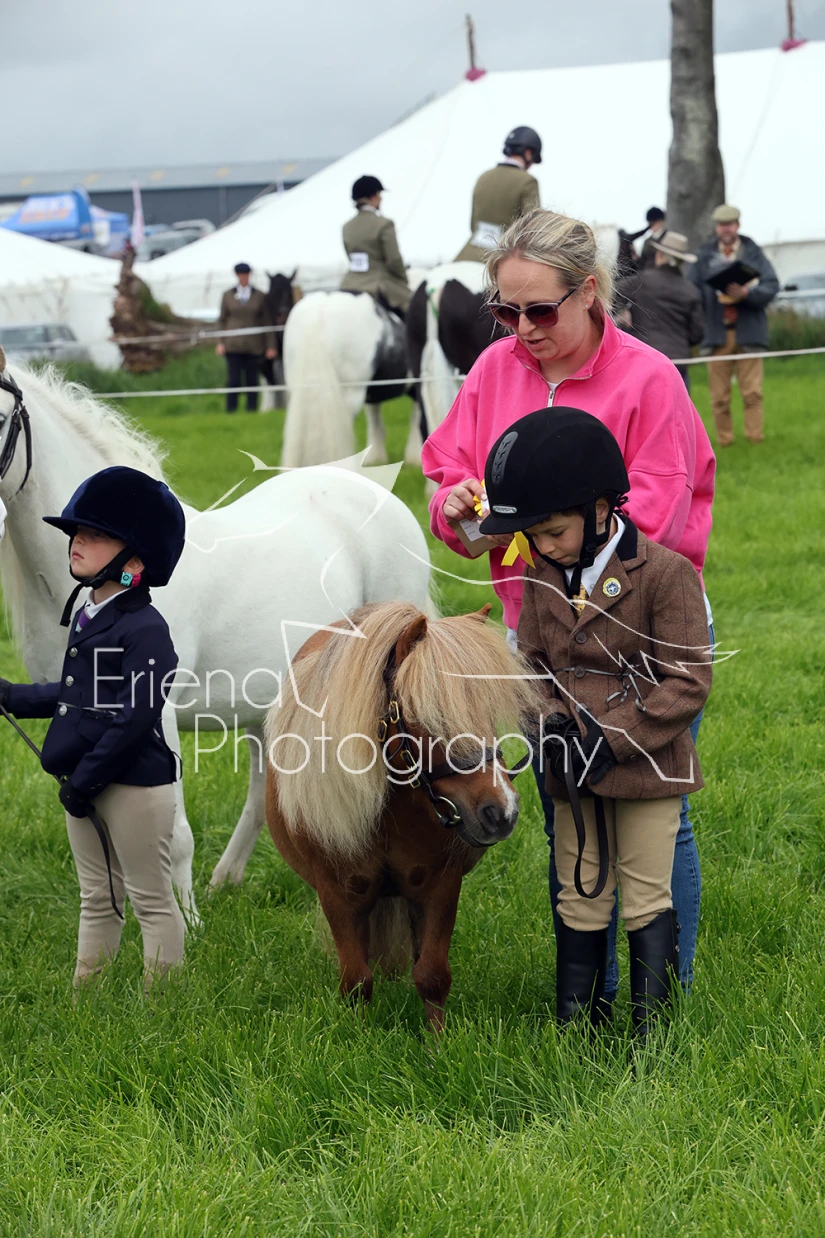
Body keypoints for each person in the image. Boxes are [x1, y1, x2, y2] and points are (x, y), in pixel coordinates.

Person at [421, 208, 715, 1001]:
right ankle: (590, 1000)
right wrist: (456, 508)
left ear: (588, 292)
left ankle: (664, 1002)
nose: (521, 330)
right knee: (568, 802)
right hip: (541, 636)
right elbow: (447, 471)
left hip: (643, 633)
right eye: (504, 311)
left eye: (539, 311)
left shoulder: (648, 378)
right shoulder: (493, 370)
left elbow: (656, 518)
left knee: (653, 807)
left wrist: (516, 526)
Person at [480, 409, 712, 1035]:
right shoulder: (542, 574)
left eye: (553, 531)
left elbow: (688, 680)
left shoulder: (666, 574)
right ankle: (576, 1029)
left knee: (645, 896)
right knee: (578, 893)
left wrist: (613, 737)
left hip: (647, 766)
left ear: (602, 508)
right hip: (572, 769)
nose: (544, 547)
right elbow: (532, 664)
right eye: (535, 536)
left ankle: (653, 1035)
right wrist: (550, 724)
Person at [0, 467, 186, 991]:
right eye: (77, 532)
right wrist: (11, 695)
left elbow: (134, 719)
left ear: (135, 561)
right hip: (84, 779)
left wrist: (85, 781)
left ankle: (165, 1004)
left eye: (96, 534)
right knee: (97, 896)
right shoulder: (90, 615)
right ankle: (89, 996)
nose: (77, 541)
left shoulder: (147, 630)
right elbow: (78, 696)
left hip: (133, 786)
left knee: (150, 899)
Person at [690, 204, 779, 446]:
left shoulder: (753, 253)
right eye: (721, 225)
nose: (726, 229)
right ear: (716, 227)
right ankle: (725, 441)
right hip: (716, 333)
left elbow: (772, 285)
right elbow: (691, 289)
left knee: (753, 392)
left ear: (737, 225)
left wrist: (747, 294)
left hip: (748, 332)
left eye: (729, 224)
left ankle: (755, 439)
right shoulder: (704, 255)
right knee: (719, 396)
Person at [615, 231, 704, 388]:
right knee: (678, 403)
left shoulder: (640, 282)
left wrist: (621, 315)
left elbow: (609, 296)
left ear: (660, 254)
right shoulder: (691, 291)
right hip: (679, 360)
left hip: (644, 356)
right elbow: (697, 334)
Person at [454, 126, 542, 262]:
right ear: (528, 153)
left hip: (467, 254)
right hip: (500, 257)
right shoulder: (528, 181)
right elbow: (532, 230)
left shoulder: (483, 177)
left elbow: (473, 224)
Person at [340, 175, 411, 316]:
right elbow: (394, 259)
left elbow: (351, 256)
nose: (381, 199)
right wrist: (403, 280)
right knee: (416, 310)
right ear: (372, 197)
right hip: (377, 285)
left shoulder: (346, 227)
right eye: (379, 195)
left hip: (348, 284)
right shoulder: (384, 224)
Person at [216, 263, 276, 413]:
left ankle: (252, 409)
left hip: (254, 345)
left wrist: (271, 345)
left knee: (252, 379)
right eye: (241, 275)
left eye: (246, 275)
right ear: (237, 276)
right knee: (234, 379)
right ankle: (231, 409)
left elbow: (266, 321)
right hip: (233, 344)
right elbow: (222, 320)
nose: (244, 278)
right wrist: (220, 342)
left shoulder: (259, 296)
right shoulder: (228, 295)